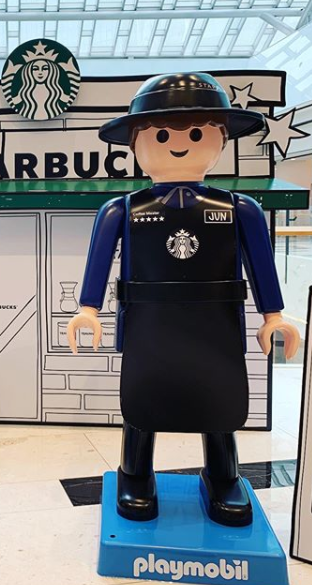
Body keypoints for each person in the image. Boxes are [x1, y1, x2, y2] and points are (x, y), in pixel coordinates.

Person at [67, 72, 300, 527]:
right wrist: (87, 308)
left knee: (219, 397)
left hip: (216, 322)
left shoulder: (240, 209)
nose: (178, 144)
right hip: (147, 322)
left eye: (195, 133)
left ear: (220, 140)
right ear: (136, 144)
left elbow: (261, 265)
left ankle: (223, 476)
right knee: (143, 397)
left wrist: (273, 315)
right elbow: (98, 262)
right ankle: (135, 472)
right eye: (161, 134)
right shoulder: (122, 209)